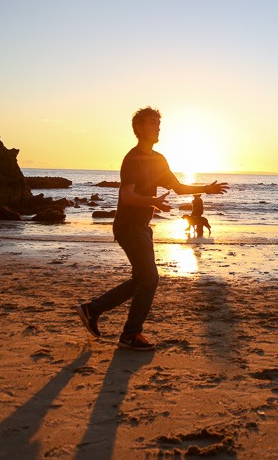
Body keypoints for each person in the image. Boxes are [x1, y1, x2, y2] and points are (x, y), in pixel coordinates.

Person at [76, 106, 227, 351]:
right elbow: (127, 196)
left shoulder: (158, 160)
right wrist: (153, 202)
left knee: (141, 280)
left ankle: (92, 310)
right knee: (150, 279)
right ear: (138, 128)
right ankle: (130, 334)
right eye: (152, 123)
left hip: (142, 227)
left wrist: (205, 189)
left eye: (159, 123)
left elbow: (178, 187)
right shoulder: (132, 158)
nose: (158, 127)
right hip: (128, 226)